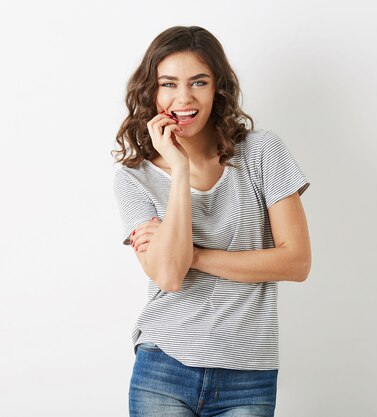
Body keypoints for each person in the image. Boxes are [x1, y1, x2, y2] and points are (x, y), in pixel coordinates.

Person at [112, 25, 311, 417]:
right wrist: (180, 170)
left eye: (198, 82)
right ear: (151, 92)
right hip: (163, 366)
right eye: (168, 84)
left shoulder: (261, 152)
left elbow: (296, 262)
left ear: (218, 88)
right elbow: (169, 276)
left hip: (248, 374)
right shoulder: (133, 178)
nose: (183, 98)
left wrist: (196, 256)